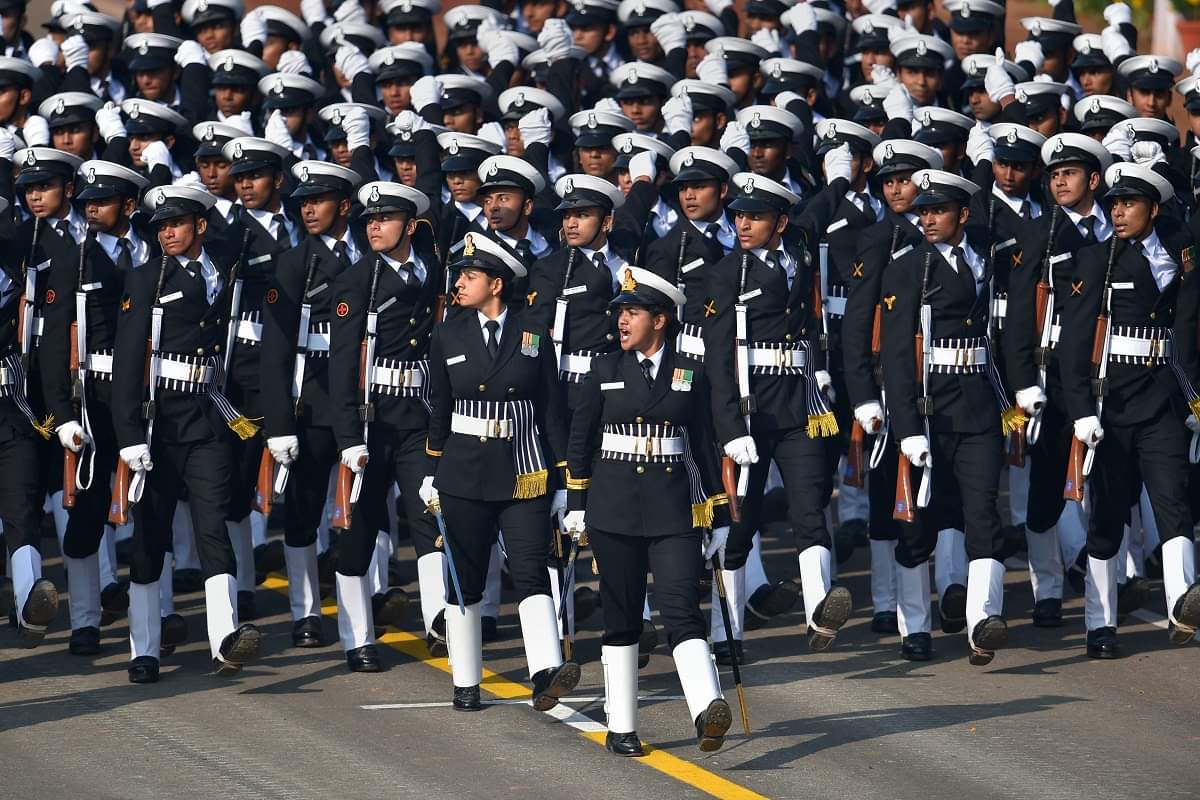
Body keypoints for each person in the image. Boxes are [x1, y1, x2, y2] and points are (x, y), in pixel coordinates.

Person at [564, 265, 733, 756]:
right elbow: (580, 443)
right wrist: (576, 502)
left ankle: (707, 710)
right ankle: (621, 726)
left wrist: (718, 515)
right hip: (612, 511)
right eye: (619, 312)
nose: (621, 320)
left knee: (682, 608)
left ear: (660, 320)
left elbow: (703, 443)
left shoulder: (688, 372)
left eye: (632, 312)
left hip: (672, 512)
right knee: (621, 617)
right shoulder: (603, 370)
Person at [421, 231, 578, 712]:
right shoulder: (448, 333)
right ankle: (466, 681)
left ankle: (546, 673)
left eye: (469, 276)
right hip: (463, 472)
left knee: (532, 569)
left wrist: (564, 480)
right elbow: (438, 408)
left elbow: (552, 410)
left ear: (496, 283)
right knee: (464, 577)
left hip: (524, 469)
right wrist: (432, 469)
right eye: (459, 276)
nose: (460, 284)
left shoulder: (533, 334)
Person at [111, 184, 260, 683]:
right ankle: (144, 648)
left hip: (207, 418)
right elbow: (129, 364)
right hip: (159, 423)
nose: (167, 233)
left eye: (176, 224)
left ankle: (225, 640)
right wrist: (129, 435)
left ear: (200, 225)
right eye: (160, 226)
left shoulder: (226, 271)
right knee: (151, 535)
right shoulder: (146, 278)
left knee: (212, 525)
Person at [1058, 162, 1200, 657]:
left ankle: (1183, 605)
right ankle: (1100, 624)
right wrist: (1080, 409)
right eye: (1114, 203)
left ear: (1153, 209)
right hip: (1111, 405)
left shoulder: (1181, 256)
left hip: (1162, 401)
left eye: (1130, 204)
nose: (1117, 212)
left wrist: (1193, 400)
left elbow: (1187, 336)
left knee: (1174, 503)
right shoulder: (1097, 260)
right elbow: (1074, 344)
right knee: (1108, 518)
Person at [879, 168, 1015, 666]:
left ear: (963, 214)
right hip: (927, 407)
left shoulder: (987, 254)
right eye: (924, 211)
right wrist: (907, 429)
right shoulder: (907, 268)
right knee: (916, 525)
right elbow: (895, 355)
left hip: (978, 403)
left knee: (982, 513)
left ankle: (983, 620)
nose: (928, 219)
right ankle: (914, 624)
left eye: (938, 211)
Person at [329, 180, 443, 671]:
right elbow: (340, 368)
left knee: (430, 517)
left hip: (418, 417)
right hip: (372, 420)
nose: (374, 226)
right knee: (359, 528)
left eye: (386, 219)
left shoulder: (435, 273)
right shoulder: (357, 281)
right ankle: (357, 638)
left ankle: (442, 621)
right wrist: (348, 438)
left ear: (410, 226)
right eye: (369, 221)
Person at [39, 160, 151, 655]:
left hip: (148, 398)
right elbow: (51, 345)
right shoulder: (73, 259)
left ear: (128, 205)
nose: (90, 211)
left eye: (101, 203)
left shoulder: (155, 250)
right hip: (93, 398)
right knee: (86, 514)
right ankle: (85, 620)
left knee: (151, 507)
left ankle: (157, 616)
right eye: (85, 203)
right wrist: (62, 414)